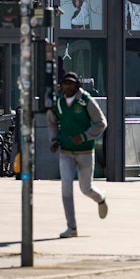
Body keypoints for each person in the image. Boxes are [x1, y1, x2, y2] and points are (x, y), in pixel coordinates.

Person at [47, 71, 108, 238]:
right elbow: (51, 121)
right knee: (66, 187)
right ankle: (71, 227)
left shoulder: (85, 101)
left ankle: (100, 198)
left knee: (85, 188)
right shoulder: (58, 103)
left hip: (85, 151)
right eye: (65, 83)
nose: (68, 86)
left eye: (71, 83)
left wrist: (84, 136)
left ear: (77, 85)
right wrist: (54, 140)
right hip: (65, 152)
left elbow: (101, 123)